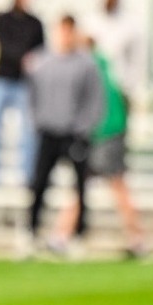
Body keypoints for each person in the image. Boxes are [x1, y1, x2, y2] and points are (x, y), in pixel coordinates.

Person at [58, 34, 145, 258]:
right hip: (109, 132)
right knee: (99, 186)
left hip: (103, 134)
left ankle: (136, 238)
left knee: (113, 186)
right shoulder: (105, 67)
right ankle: (62, 233)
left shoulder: (90, 68)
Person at [23, 16, 103, 256]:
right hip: (49, 131)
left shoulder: (86, 64)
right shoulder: (42, 61)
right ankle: (31, 231)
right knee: (39, 183)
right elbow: (32, 95)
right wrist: (37, 121)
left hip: (74, 133)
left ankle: (78, 235)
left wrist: (85, 127)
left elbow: (95, 99)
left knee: (79, 187)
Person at [0, 0, 44, 187]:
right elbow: (6, 47)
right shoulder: (4, 19)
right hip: (3, 80)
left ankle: (27, 175)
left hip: (24, 83)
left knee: (28, 132)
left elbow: (40, 52)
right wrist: (23, 59)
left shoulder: (35, 23)